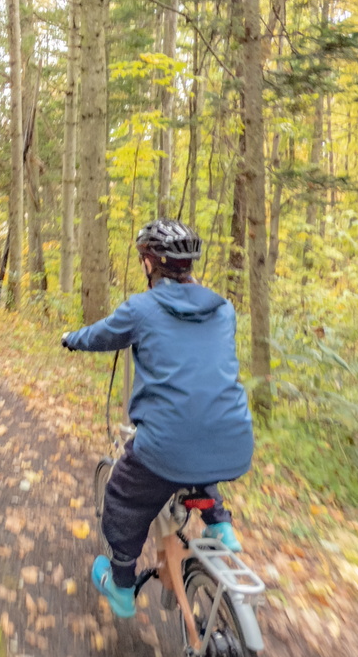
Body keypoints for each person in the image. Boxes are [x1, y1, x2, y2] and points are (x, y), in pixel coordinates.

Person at [61, 219, 254, 619]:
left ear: (149, 262)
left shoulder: (142, 309)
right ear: (189, 264)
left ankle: (121, 587)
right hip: (234, 438)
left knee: (122, 497)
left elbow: (100, 335)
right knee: (198, 444)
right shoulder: (223, 308)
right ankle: (220, 524)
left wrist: (72, 339)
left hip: (167, 444)